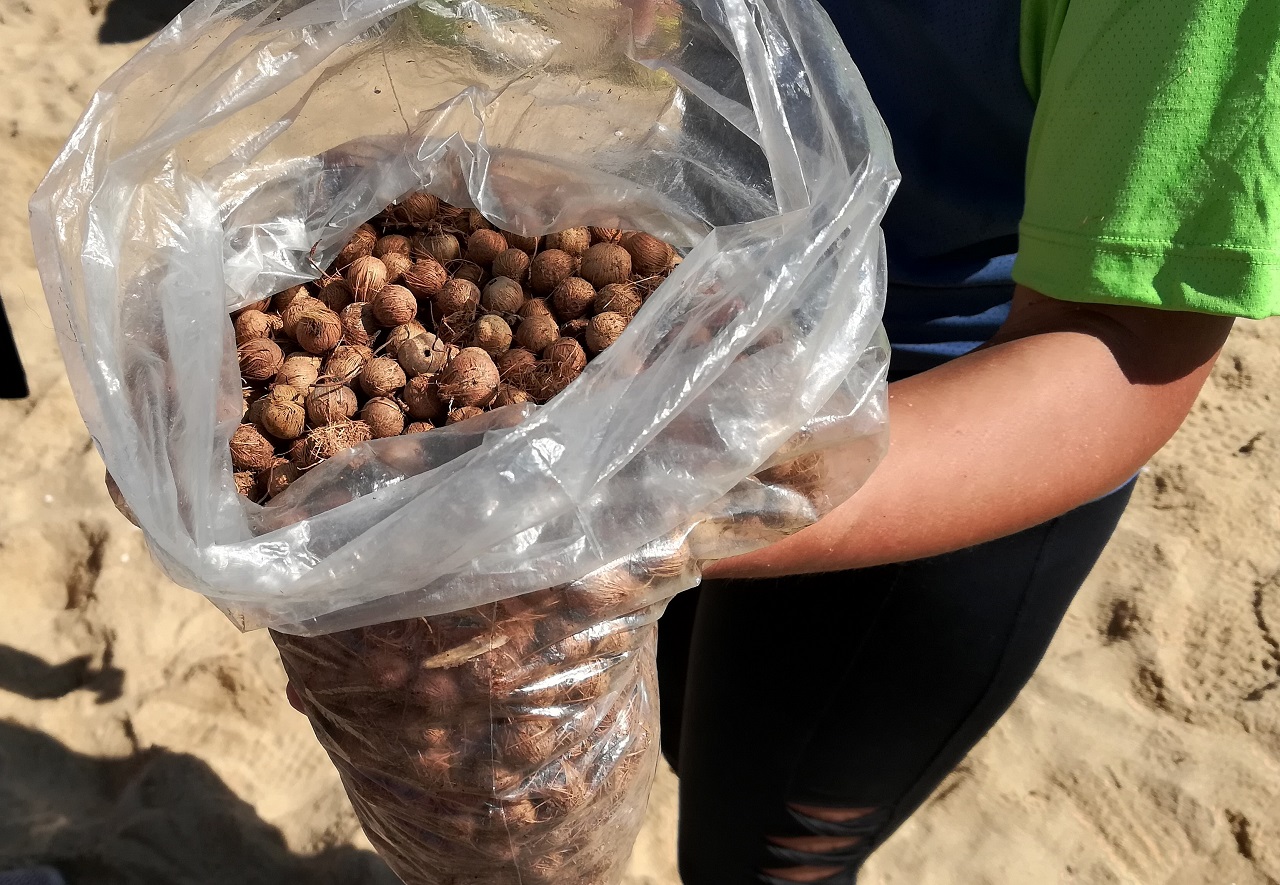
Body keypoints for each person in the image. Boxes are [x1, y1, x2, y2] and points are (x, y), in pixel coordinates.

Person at [652, 1, 1280, 883]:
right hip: (700, 357)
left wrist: (671, 510)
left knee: (758, 857)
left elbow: (1122, 341)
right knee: (687, 724)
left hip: (939, 428)